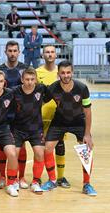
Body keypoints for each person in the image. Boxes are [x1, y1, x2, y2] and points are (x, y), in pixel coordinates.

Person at [40, 60, 97, 196]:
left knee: (86, 150)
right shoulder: (53, 88)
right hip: (59, 121)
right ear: (58, 73)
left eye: (68, 72)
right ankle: (52, 180)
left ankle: (87, 184)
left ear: (72, 72)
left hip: (78, 121)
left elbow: (87, 111)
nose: (66, 75)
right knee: (47, 148)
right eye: (63, 73)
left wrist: (87, 134)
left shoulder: (82, 88)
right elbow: (39, 104)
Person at [0, 40, 27, 189]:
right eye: (10, 51)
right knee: (3, 147)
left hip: (21, 114)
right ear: (5, 52)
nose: (12, 53)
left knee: (22, 146)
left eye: (15, 51)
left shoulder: (25, 69)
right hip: (4, 113)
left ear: (19, 52)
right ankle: (2, 176)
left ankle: (21, 177)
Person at [37, 45, 70, 188]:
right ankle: (40, 177)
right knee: (40, 147)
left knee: (60, 146)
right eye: (47, 52)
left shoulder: (62, 72)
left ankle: (61, 177)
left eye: (52, 52)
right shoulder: (37, 72)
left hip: (60, 117)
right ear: (42, 55)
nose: (50, 55)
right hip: (41, 116)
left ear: (56, 55)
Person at [12, 67, 48, 194]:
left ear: (36, 80)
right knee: (13, 154)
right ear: (22, 79)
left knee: (39, 153)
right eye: (27, 79)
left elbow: (51, 97)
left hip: (35, 129)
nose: (29, 82)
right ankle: (15, 179)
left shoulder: (41, 89)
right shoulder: (14, 91)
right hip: (18, 129)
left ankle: (35, 182)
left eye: (32, 79)